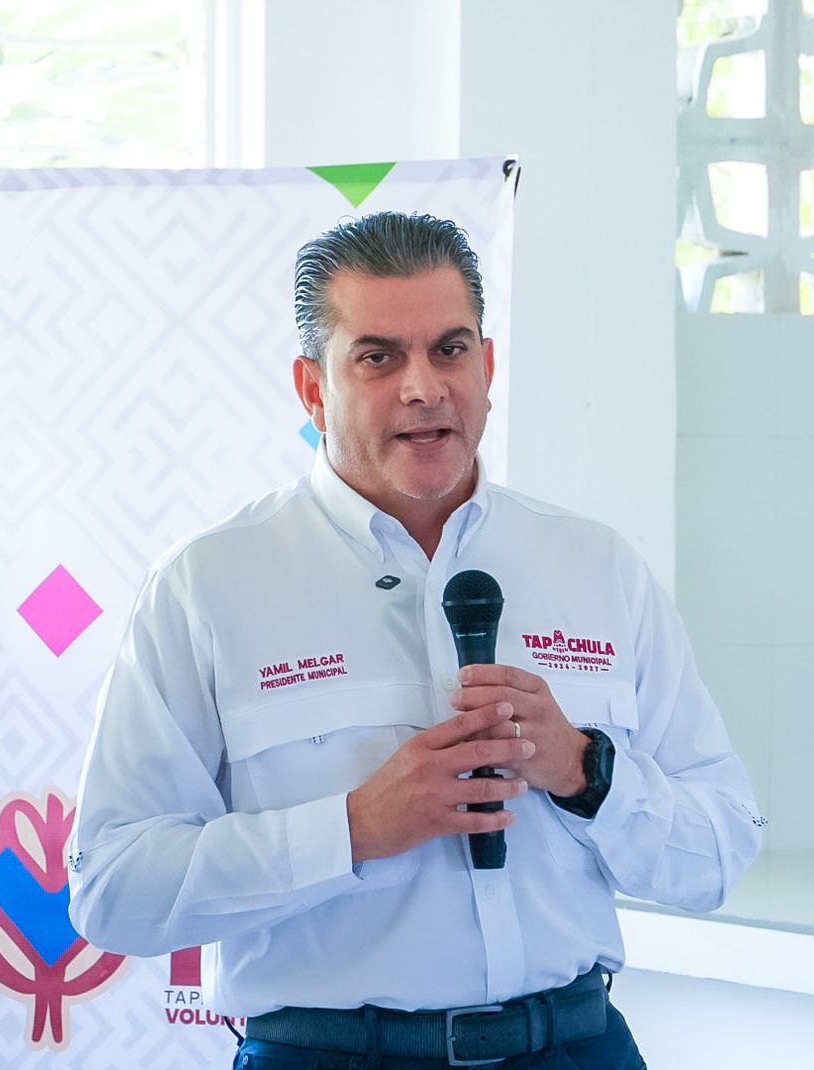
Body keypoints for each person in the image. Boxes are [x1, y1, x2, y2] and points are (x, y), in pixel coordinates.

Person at [68, 211, 764, 1069]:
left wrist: (586, 770)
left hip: (577, 1046)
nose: (423, 387)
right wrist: (352, 829)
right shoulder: (207, 584)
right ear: (312, 387)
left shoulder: (597, 566)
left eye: (449, 349)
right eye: (377, 357)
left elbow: (718, 853)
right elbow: (114, 891)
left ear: (488, 366)